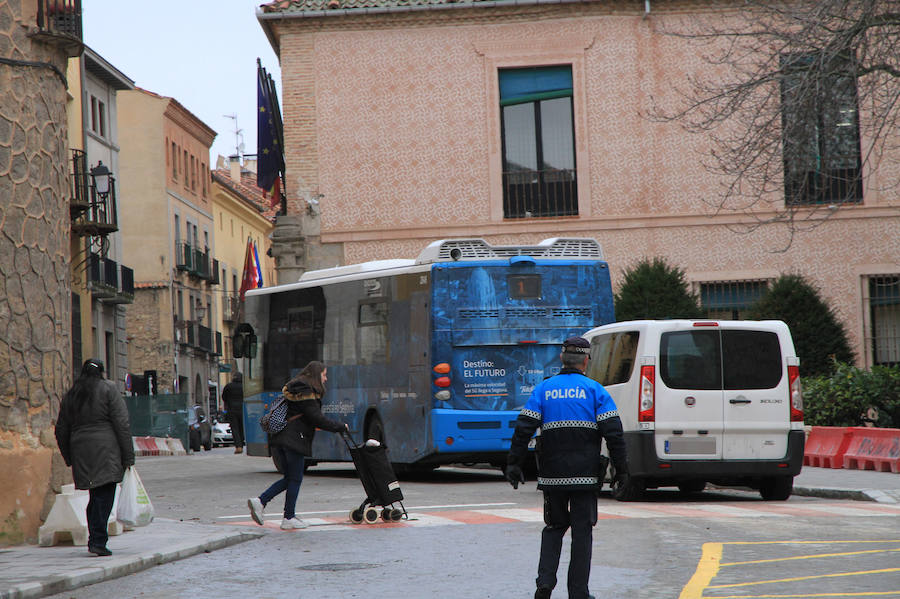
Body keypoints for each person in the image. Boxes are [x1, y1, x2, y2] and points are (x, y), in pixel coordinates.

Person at [506, 337, 629, 599]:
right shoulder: (596, 390)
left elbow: (523, 428)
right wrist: (623, 470)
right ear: (585, 361)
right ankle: (578, 593)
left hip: (552, 476)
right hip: (585, 477)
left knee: (554, 527)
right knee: (582, 533)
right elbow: (615, 434)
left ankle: (545, 584)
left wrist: (514, 463)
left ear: (562, 359)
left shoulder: (544, 390)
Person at [248, 361, 347, 530]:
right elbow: (316, 418)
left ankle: (264, 503)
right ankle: (286, 516)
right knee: (295, 478)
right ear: (316, 375)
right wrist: (340, 427)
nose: (326, 378)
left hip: (280, 437)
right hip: (294, 439)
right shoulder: (307, 393)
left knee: (290, 478)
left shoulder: (296, 389)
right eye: (324, 375)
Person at [55, 359, 135, 557]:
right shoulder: (108, 389)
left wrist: (69, 456)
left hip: (80, 449)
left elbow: (61, 429)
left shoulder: (72, 394)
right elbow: (122, 423)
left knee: (95, 494)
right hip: (106, 448)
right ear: (101, 372)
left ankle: (96, 538)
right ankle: (98, 541)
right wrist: (128, 456)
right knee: (104, 494)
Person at [221, 372, 245, 454]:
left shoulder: (228, 386)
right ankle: (241, 444)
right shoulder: (244, 387)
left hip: (232, 410)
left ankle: (238, 446)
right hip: (242, 410)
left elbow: (224, 397)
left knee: (235, 428)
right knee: (241, 428)